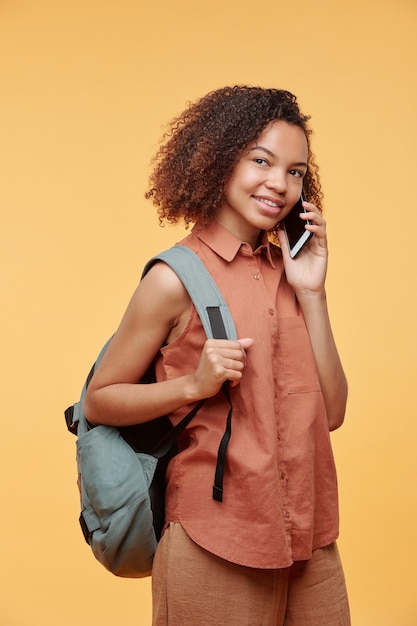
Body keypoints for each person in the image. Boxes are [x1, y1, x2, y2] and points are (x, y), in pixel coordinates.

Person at [84, 85, 350, 625]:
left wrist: (314, 293)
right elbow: (99, 402)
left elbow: (335, 413)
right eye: (261, 161)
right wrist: (193, 385)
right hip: (214, 542)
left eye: (295, 171)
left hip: (311, 540)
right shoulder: (173, 278)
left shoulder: (292, 273)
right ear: (219, 159)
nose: (279, 182)